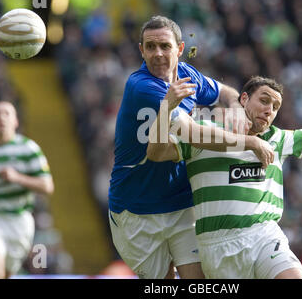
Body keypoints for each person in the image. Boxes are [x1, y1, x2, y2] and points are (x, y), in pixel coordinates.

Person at [146, 76, 302, 279]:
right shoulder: (205, 135)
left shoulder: (277, 139)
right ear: (243, 99)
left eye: (276, 107)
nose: (269, 110)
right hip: (218, 246)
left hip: (263, 234)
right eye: (264, 100)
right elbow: (156, 153)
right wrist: (166, 106)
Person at [108, 15, 275, 279]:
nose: (158, 53)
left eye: (165, 46)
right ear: (141, 50)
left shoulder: (187, 74)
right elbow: (193, 134)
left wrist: (235, 108)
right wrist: (250, 141)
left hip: (181, 204)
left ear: (180, 49)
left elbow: (225, 92)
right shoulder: (142, 87)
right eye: (150, 47)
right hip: (137, 209)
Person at [0, 101, 54, 279]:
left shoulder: (28, 149)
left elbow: (47, 186)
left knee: (6, 273)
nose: (1, 118)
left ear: (16, 121)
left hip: (19, 219)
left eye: (6, 114)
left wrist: (17, 178)